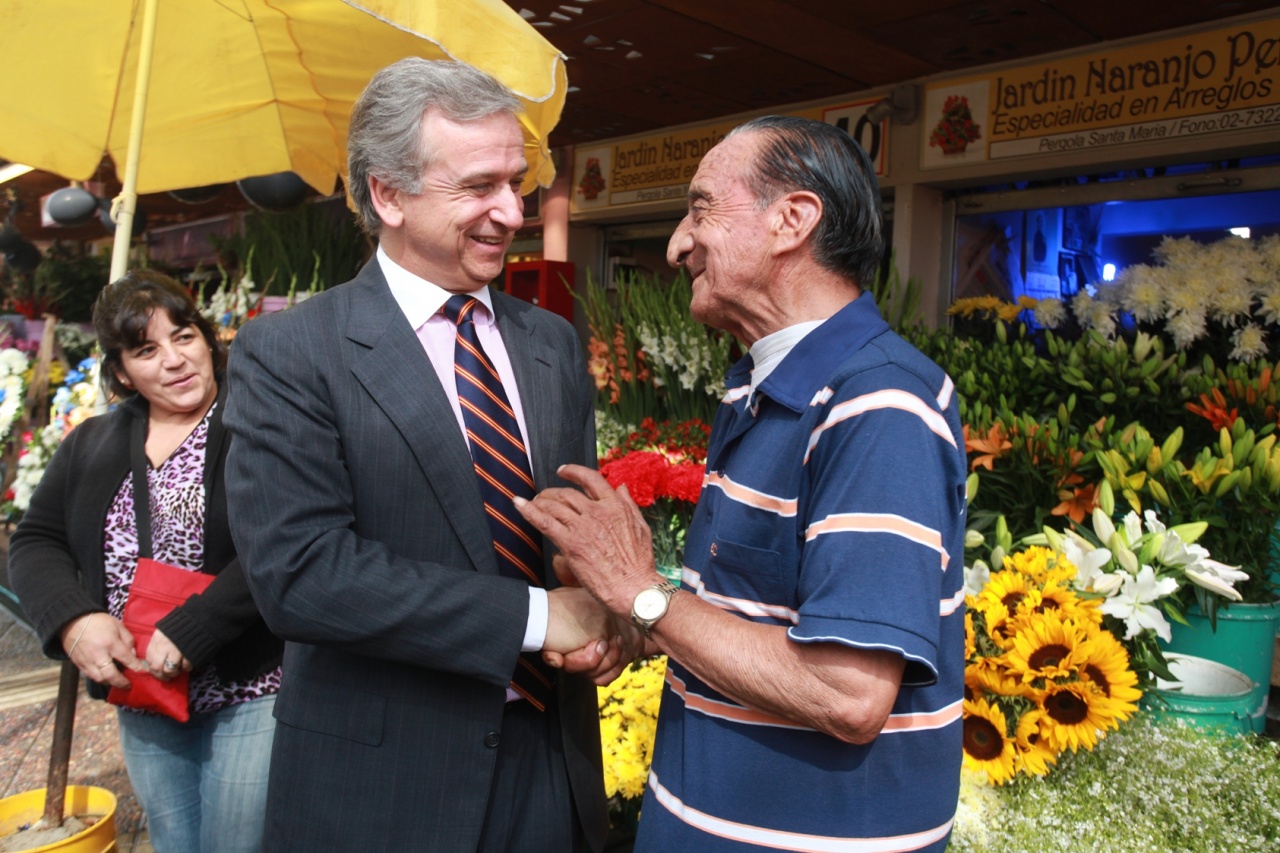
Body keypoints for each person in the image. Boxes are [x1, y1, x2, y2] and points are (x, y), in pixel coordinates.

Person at [519, 116, 968, 852]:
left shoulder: (879, 404)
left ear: (792, 220)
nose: (676, 243)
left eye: (700, 208)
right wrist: (636, 625)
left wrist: (643, 593)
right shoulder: (762, 387)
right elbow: (752, 623)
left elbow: (847, 692)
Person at [223, 57, 622, 853]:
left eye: (518, 182)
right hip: (382, 789)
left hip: (550, 767)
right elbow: (302, 575)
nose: (510, 211)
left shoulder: (548, 341)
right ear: (388, 194)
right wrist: (543, 618)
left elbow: (569, 528)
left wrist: (604, 611)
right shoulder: (293, 351)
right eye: (478, 187)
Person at [9, 270, 283, 853]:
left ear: (209, 340)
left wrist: (197, 626)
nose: (174, 361)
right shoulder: (93, 442)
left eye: (184, 337)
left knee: (236, 843)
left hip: (252, 688)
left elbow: (284, 540)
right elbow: (36, 540)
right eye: (146, 350)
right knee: (174, 840)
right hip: (143, 693)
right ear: (121, 371)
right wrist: (73, 620)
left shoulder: (260, 424)